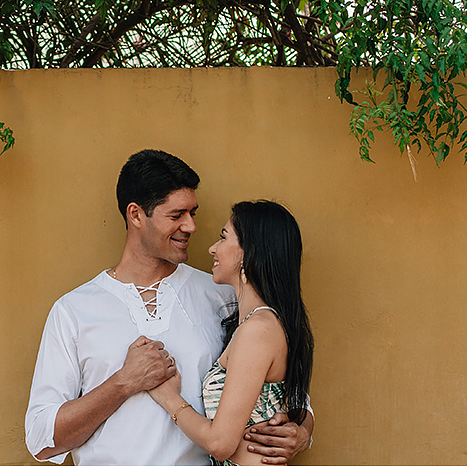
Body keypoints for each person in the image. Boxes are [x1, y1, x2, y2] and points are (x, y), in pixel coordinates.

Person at [25, 150, 313, 465]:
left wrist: (301, 431)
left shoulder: (223, 296)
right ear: (136, 215)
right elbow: (41, 440)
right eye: (176, 216)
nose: (190, 226)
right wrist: (124, 381)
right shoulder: (74, 311)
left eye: (193, 213)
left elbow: (277, 387)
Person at [148, 200, 314, 465]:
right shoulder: (256, 323)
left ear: (249, 254)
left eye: (223, 238)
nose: (212, 248)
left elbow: (220, 443)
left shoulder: (258, 330)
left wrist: (168, 397)